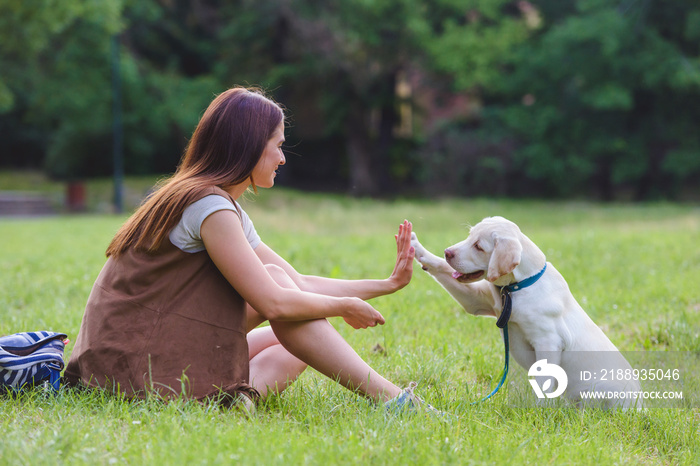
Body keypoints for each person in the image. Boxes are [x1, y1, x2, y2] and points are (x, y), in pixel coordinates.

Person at [64, 86, 437, 413]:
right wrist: (343, 307)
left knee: (302, 343)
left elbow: (297, 282)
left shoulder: (217, 202)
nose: (283, 158)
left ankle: (241, 400)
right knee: (288, 307)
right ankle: (395, 401)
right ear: (250, 147)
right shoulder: (208, 206)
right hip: (126, 366)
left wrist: (387, 284)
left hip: (130, 353)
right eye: (278, 146)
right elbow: (274, 301)